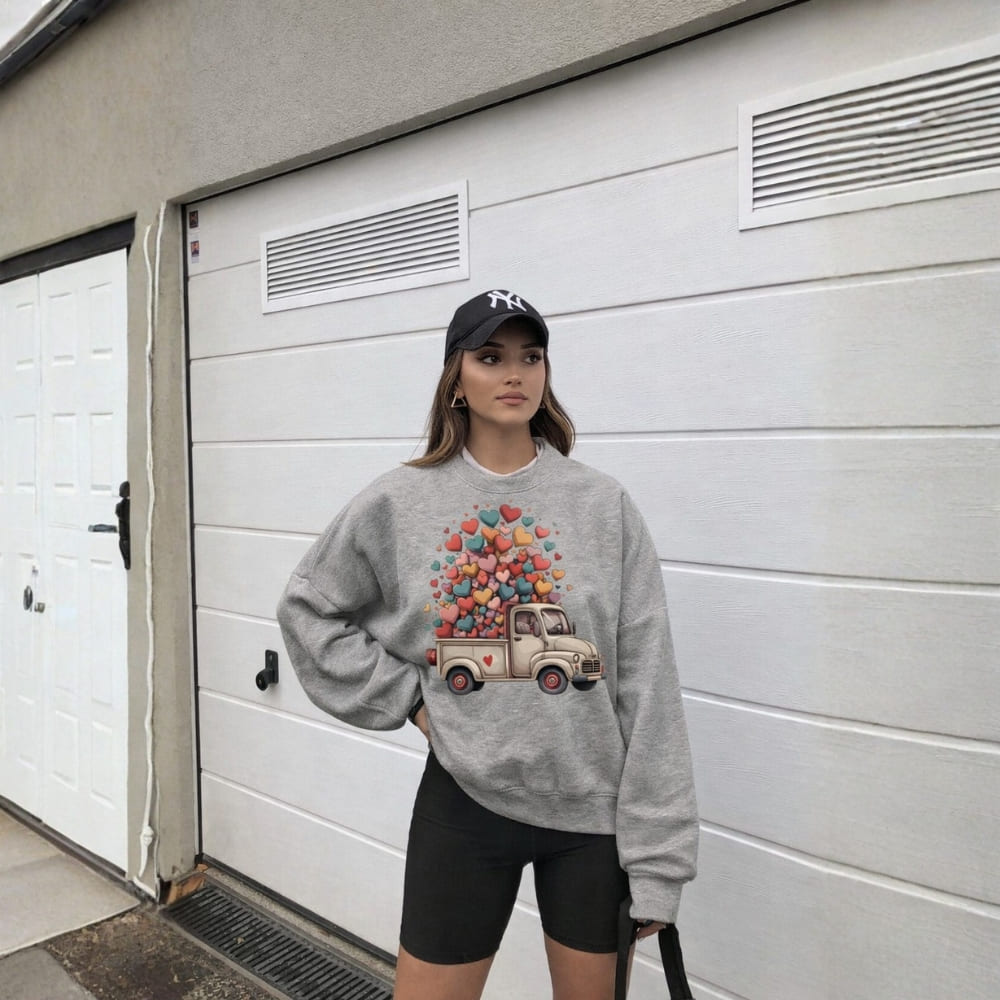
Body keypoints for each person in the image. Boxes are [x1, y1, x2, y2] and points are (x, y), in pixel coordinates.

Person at [277, 289, 698, 1000]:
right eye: (491, 356)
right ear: (456, 378)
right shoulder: (398, 502)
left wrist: (658, 860)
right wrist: (408, 699)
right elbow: (309, 608)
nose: (515, 374)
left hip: (590, 818)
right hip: (465, 802)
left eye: (530, 357)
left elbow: (648, 685)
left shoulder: (604, 506)